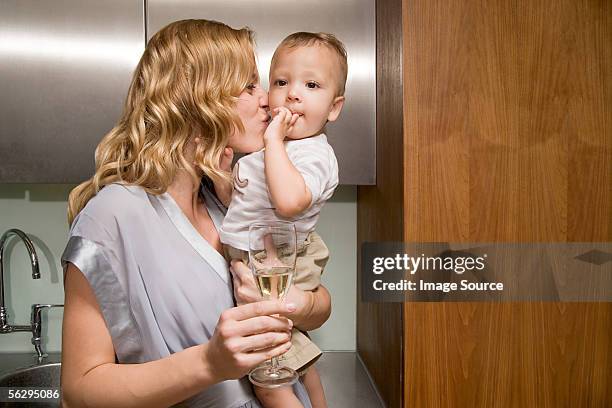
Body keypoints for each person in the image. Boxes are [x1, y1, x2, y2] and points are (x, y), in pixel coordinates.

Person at [60, 19, 331, 408]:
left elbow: (317, 299)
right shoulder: (112, 216)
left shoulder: (228, 194)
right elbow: (80, 390)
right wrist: (209, 362)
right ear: (197, 99)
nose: (269, 101)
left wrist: (298, 305)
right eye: (249, 86)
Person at [218, 32, 348, 408]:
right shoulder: (263, 148)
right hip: (260, 255)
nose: (292, 93)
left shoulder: (313, 155)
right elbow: (244, 204)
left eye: (310, 85)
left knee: (269, 376)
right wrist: (223, 179)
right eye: (280, 82)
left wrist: (274, 142)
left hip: (285, 258)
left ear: (334, 108)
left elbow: (289, 202)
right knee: (295, 356)